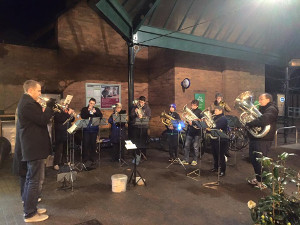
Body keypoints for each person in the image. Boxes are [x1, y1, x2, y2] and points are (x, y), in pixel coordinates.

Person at [17, 80, 55, 222]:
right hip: (34, 148)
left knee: (32, 180)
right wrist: (50, 108)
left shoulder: (28, 103)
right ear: (31, 90)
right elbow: (42, 120)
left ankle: (31, 207)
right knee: (34, 181)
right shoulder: (27, 104)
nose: (40, 94)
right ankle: (30, 214)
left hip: (34, 147)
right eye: (38, 91)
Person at [246, 93, 278, 189]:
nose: (259, 101)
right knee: (254, 159)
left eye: (261, 99)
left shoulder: (272, 109)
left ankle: (265, 183)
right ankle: (259, 179)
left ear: (268, 99)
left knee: (261, 161)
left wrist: (251, 123)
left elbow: (264, 120)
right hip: (256, 138)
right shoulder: (262, 109)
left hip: (264, 139)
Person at [53, 101, 75, 170]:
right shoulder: (57, 111)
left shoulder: (66, 111)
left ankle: (65, 161)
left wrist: (72, 115)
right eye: (65, 105)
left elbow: (72, 120)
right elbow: (61, 119)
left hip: (67, 132)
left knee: (66, 148)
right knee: (59, 149)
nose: (66, 106)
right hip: (60, 133)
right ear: (61, 105)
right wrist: (68, 113)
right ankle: (56, 163)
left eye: (67, 105)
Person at [80, 98, 103, 163]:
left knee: (93, 144)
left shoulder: (97, 109)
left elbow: (100, 116)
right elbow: (83, 116)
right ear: (89, 103)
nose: (91, 105)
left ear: (95, 104)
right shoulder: (84, 109)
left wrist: (95, 113)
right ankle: (85, 158)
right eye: (90, 103)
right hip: (86, 129)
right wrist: (88, 111)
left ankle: (93, 157)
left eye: (93, 104)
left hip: (94, 129)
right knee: (86, 143)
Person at [208, 106, 229, 177]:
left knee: (221, 156)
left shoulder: (223, 118)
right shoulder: (215, 117)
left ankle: (223, 171)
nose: (215, 111)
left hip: (221, 140)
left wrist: (210, 128)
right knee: (215, 154)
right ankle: (216, 167)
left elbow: (217, 127)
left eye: (216, 110)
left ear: (221, 111)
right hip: (214, 138)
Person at [130, 96, 151, 163]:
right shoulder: (135, 107)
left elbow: (149, 117)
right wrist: (135, 113)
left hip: (144, 127)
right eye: (140, 102)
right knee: (136, 141)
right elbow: (131, 116)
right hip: (136, 126)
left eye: (142, 102)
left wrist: (143, 116)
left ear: (144, 102)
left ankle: (143, 155)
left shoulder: (147, 108)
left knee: (143, 142)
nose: (140, 103)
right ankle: (136, 155)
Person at [182, 100, 202, 166]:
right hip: (190, 131)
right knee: (186, 146)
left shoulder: (200, 112)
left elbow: (200, 121)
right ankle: (186, 160)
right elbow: (188, 119)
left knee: (195, 147)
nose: (192, 106)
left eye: (194, 105)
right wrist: (187, 120)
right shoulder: (190, 111)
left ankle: (195, 160)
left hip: (197, 132)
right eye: (192, 105)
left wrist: (192, 122)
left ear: (197, 106)